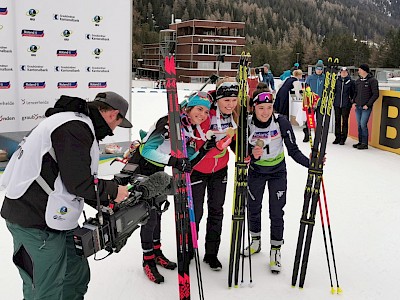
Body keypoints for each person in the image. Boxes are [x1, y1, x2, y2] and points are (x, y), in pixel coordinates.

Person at [0, 91, 132, 299]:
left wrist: (105, 201)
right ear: (113, 114)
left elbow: (70, 177)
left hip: (56, 216)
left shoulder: (76, 124)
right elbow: (78, 183)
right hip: (34, 220)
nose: (113, 131)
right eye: (117, 124)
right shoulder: (73, 127)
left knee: (76, 275)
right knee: (45, 289)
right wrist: (114, 191)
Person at [128, 91, 211, 283]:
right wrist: (174, 161)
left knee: (157, 213)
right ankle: (147, 259)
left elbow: (187, 161)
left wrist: (204, 150)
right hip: (142, 167)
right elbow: (148, 150)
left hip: (160, 173)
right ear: (189, 108)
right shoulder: (167, 124)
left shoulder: (189, 129)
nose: (203, 115)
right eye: (199, 109)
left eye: (206, 112)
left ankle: (156, 251)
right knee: (148, 216)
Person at [243, 89, 309, 274]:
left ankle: (275, 250)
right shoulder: (247, 124)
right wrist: (250, 154)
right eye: (261, 107)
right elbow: (241, 151)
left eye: (269, 107)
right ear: (254, 108)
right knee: (253, 208)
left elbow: (293, 151)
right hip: (256, 171)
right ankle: (255, 242)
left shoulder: (281, 122)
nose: (265, 112)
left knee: (276, 211)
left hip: (277, 172)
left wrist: (312, 164)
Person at [191, 78, 238, 271]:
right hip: (197, 170)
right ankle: (188, 249)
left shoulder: (234, 114)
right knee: (196, 213)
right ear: (217, 99)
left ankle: (211, 254)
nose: (230, 104)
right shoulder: (205, 112)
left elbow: (234, 140)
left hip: (220, 170)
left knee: (216, 211)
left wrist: (247, 155)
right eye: (226, 100)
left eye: (234, 100)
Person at [352, 64, 379, 150]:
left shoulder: (372, 80)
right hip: (358, 106)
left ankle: (364, 143)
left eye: (360, 69)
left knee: (363, 124)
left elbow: (375, 94)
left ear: (364, 70)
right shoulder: (358, 81)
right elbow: (355, 92)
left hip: (366, 107)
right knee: (359, 124)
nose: (358, 71)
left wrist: (368, 104)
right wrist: (354, 101)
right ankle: (360, 141)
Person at [333, 67, 355, 145]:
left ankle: (343, 138)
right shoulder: (336, 81)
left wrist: (351, 101)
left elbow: (353, 93)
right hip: (337, 103)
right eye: (342, 72)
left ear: (347, 73)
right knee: (337, 120)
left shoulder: (351, 82)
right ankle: (337, 137)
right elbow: (334, 91)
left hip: (346, 104)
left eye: (345, 72)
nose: (344, 73)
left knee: (345, 121)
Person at [305, 59, 325, 139]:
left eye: (320, 69)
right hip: (311, 103)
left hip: (321, 103)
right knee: (309, 120)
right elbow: (306, 88)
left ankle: (318, 136)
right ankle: (307, 135)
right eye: (317, 69)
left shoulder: (324, 78)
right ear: (315, 69)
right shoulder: (310, 78)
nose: (319, 71)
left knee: (319, 120)